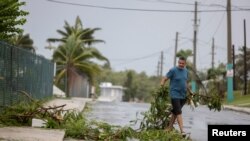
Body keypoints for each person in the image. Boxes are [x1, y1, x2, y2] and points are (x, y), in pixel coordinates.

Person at [160, 56, 191, 135]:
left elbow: (185, 82)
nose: (181, 64)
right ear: (178, 62)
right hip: (174, 94)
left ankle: (169, 128)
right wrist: (162, 87)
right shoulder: (173, 70)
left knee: (175, 112)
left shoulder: (186, 71)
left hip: (183, 95)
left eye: (182, 63)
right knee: (179, 112)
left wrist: (190, 91)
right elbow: (164, 78)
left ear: (185, 63)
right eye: (179, 63)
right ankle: (182, 131)